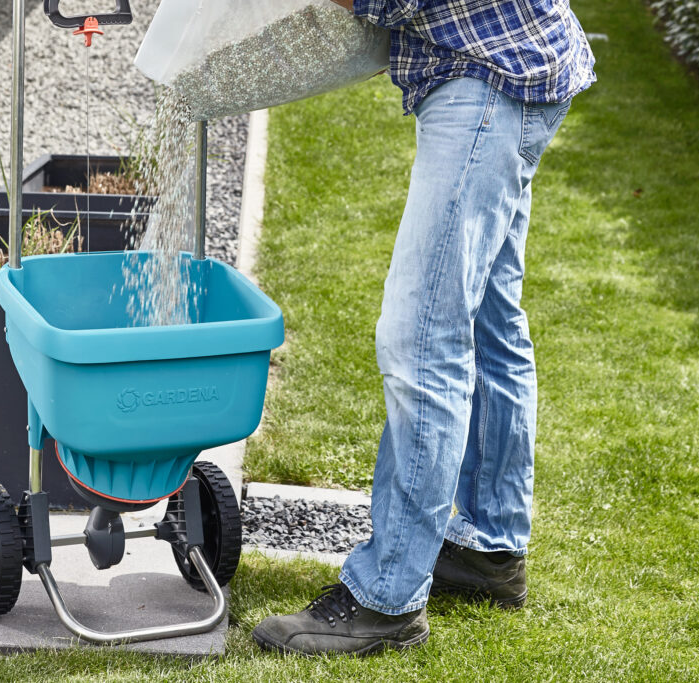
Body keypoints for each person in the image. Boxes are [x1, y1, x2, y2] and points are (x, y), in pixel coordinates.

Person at [252, 0, 596, 656]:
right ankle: (490, 546)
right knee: (492, 319)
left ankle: (386, 597)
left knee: (421, 337)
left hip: (489, 79)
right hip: (516, 60)